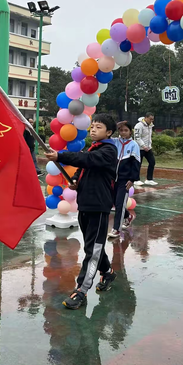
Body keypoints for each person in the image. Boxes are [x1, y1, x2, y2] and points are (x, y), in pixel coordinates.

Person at [45, 113, 118, 310]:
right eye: (92, 126)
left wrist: (60, 156)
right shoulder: (94, 148)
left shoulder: (108, 150)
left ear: (109, 132)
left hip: (99, 206)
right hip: (85, 204)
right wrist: (76, 179)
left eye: (99, 127)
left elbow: (88, 160)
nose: (93, 129)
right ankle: (108, 272)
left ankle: (81, 290)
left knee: (92, 249)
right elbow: (85, 167)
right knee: (93, 245)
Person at [108, 120, 141, 238]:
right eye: (121, 130)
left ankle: (116, 229)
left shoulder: (134, 145)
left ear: (130, 132)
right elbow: (106, 135)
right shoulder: (114, 142)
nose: (123, 133)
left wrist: (132, 179)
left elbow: (136, 164)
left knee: (120, 203)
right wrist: (115, 125)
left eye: (126, 130)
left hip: (124, 180)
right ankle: (128, 216)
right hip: (112, 179)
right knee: (113, 202)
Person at [133, 112, 157, 186]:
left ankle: (149, 179)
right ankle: (136, 180)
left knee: (152, 162)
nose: (151, 121)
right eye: (150, 119)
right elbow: (137, 137)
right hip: (139, 148)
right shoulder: (139, 125)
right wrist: (143, 146)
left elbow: (148, 137)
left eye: (152, 119)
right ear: (146, 118)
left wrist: (149, 146)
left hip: (148, 148)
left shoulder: (150, 126)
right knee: (138, 164)